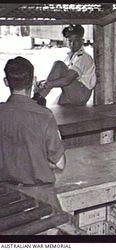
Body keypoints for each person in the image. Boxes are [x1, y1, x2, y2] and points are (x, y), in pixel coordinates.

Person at [0, 56, 66, 209]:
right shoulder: (44, 116)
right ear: (34, 80)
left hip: (5, 198)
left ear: (5, 81)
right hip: (39, 198)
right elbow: (60, 164)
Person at [33, 24, 96, 106]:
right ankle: (38, 99)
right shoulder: (69, 57)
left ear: (82, 41)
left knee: (58, 64)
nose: (72, 44)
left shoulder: (83, 57)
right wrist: (42, 82)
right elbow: (58, 78)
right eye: (70, 41)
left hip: (81, 93)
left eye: (76, 40)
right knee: (55, 104)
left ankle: (37, 98)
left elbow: (67, 80)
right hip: (72, 90)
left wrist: (45, 84)